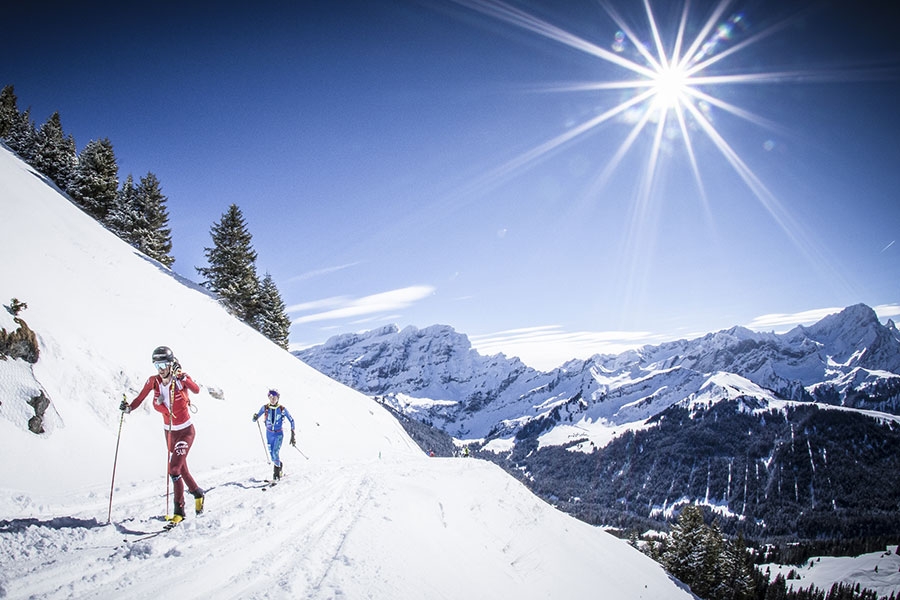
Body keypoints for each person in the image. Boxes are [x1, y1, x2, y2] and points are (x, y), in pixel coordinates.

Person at [120, 346, 204, 523]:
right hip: (169, 433)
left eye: (164, 364)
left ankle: (179, 512)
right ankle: (197, 493)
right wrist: (128, 408)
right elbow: (140, 398)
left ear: (172, 364)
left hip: (186, 431)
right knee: (182, 469)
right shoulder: (154, 381)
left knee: (173, 469)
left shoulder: (180, 379)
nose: (161, 369)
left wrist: (184, 378)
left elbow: (196, 390)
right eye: (157, 365)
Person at [252, 389, 295, 481]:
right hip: (269, 434)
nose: (272, 399)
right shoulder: (265, 408)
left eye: (274, 397)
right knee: (272, 456)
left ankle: (276, 476)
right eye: (270, 397)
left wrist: (293, 433)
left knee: (275, 453)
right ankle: (280, 467)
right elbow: (255, 418)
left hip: (278, 434)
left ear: (278, 398)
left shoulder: (282, 409)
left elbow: (291, 420)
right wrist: (255, 417)